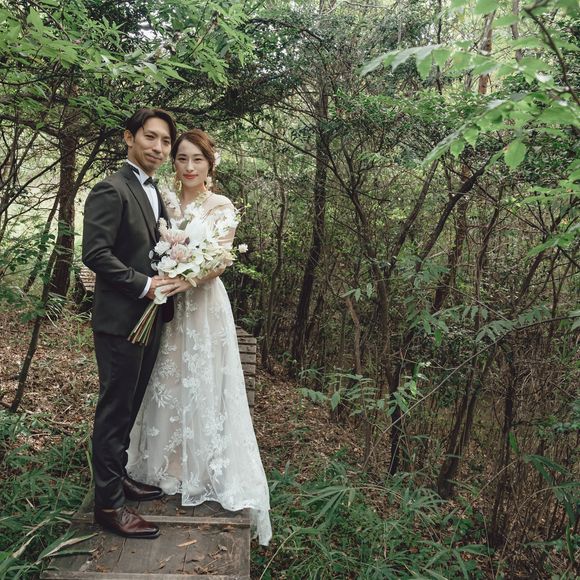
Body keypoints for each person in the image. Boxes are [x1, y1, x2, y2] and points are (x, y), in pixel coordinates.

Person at [127, 129, 272, 545]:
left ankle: (204, 467)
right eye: (182, 159)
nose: (189, 167)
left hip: (203, 303)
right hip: (166, 303)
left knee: (203, 379)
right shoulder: (164, 200)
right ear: (174, 163)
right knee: (167, 377)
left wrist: (186, 279)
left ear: (210, 164)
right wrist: (164, 275)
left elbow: (220, 258)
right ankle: (166, 465)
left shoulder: (221, 205)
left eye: (197, 160)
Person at [82, 108, 178, 539]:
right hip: (120, 319)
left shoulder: (154, 191)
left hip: (150, 317)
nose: (158, 148)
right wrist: (144, 284)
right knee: (115, 410)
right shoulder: (111, 188)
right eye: (150, 137)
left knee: (131, 404)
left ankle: (118, 477)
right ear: (129, 137)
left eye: (165, 141)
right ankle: (108, 505)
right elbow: (96, 253)